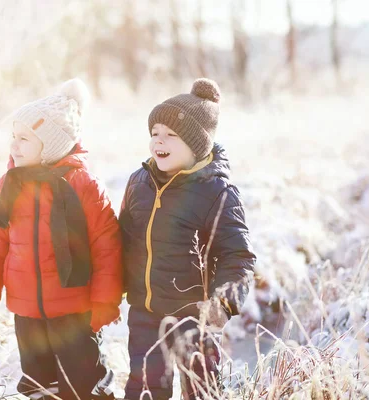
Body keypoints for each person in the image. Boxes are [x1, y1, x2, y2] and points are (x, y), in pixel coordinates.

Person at [0, 78, 123, 400]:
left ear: (51, 144)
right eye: (14, 137)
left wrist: (105, 300)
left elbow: (107, 246)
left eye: (24, 139)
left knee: (84, 383)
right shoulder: (8, 185)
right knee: (39, 385)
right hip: (26, 310)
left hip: (75, 310)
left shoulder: (83, 184)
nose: (14, 145)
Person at [120, 78, 256, 399]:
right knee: (144, 390)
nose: (159, 141)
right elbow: (121, 242)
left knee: (201, 390)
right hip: (145, 313)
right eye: (155, 133)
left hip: (196, 318)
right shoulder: (139, 183)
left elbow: (239, 256)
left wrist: (223, 302)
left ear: (197, 145)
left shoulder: (217, 192)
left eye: (171, 135)